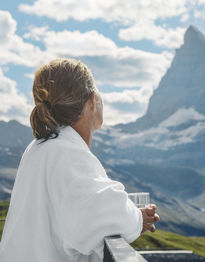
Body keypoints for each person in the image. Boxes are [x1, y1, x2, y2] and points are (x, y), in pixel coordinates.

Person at [0, 58, 160, 262]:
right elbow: (102, 214)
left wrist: (134, 217)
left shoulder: (43, 146)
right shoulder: (65, 152)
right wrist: (137, 218)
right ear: (92, 101)